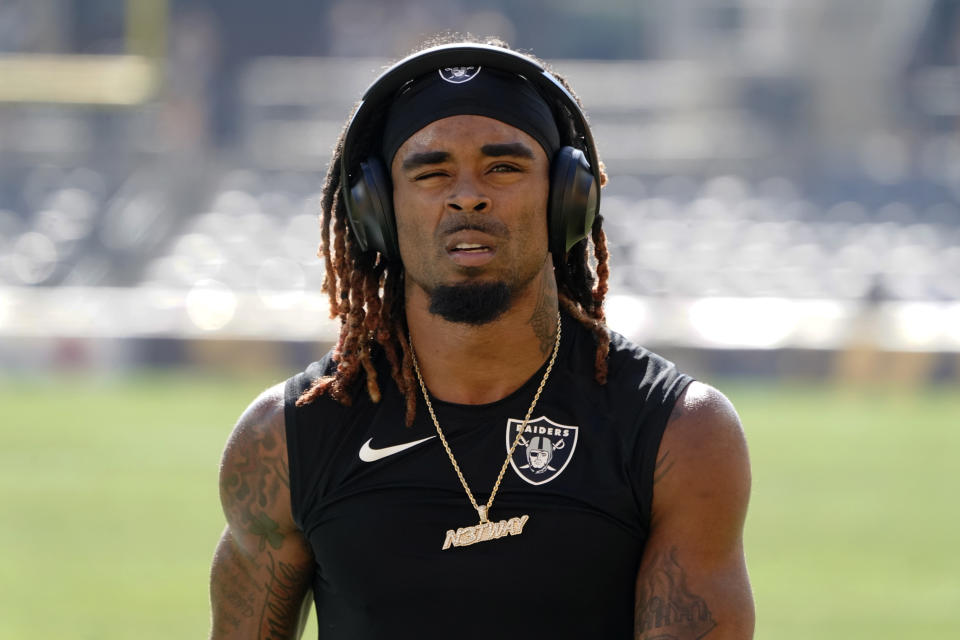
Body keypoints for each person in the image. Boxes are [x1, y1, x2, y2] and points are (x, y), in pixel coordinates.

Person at [209, 36, 754, 640]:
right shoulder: (284, 440)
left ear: (567, 198)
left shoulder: (680, 433)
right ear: (377, 213)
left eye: (504, 167)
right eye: (431, 172)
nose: (467, 195)